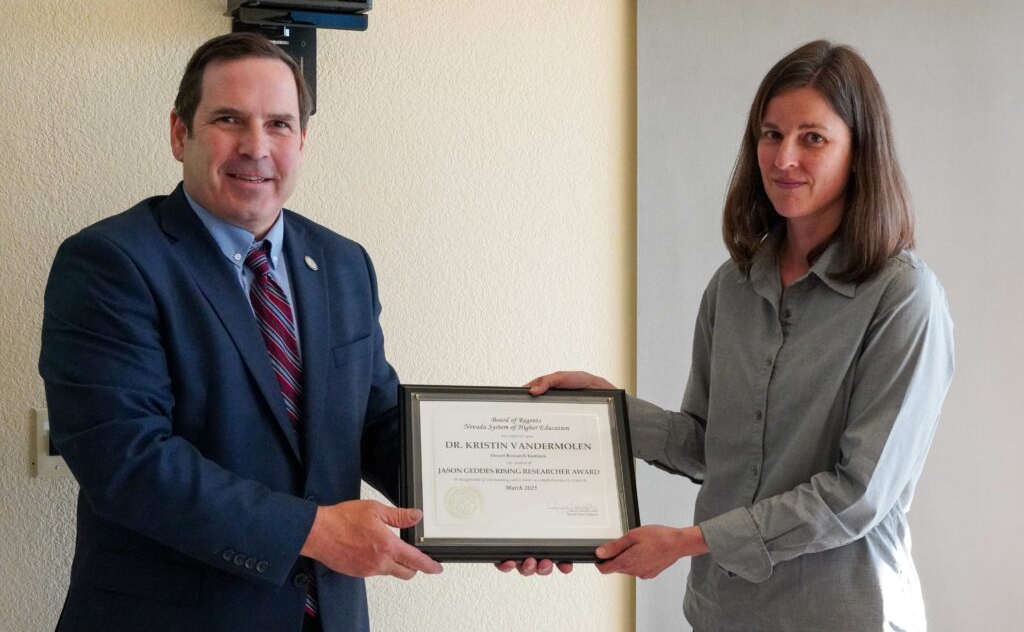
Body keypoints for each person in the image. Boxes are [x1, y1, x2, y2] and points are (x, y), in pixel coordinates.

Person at [528, 40, 954, 630]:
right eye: (771, 134)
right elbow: (712, 448)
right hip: (724, 612)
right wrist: (608, 411)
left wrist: (688, 541)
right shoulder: (732, 287)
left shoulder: (904, 297)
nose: (783, 159)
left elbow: (858, 494)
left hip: (843, 613)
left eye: (813, 138)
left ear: (859, 153)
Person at [39, 32, 443, 632]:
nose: (256, 147)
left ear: (302, 141)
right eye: (229, 119)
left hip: (328, 616)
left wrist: (501, 514)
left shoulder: (342, 262)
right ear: (181, 134)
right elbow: (127, 459)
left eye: (279, 124)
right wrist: (313, 532)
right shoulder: (111, 262)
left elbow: (376, 422)